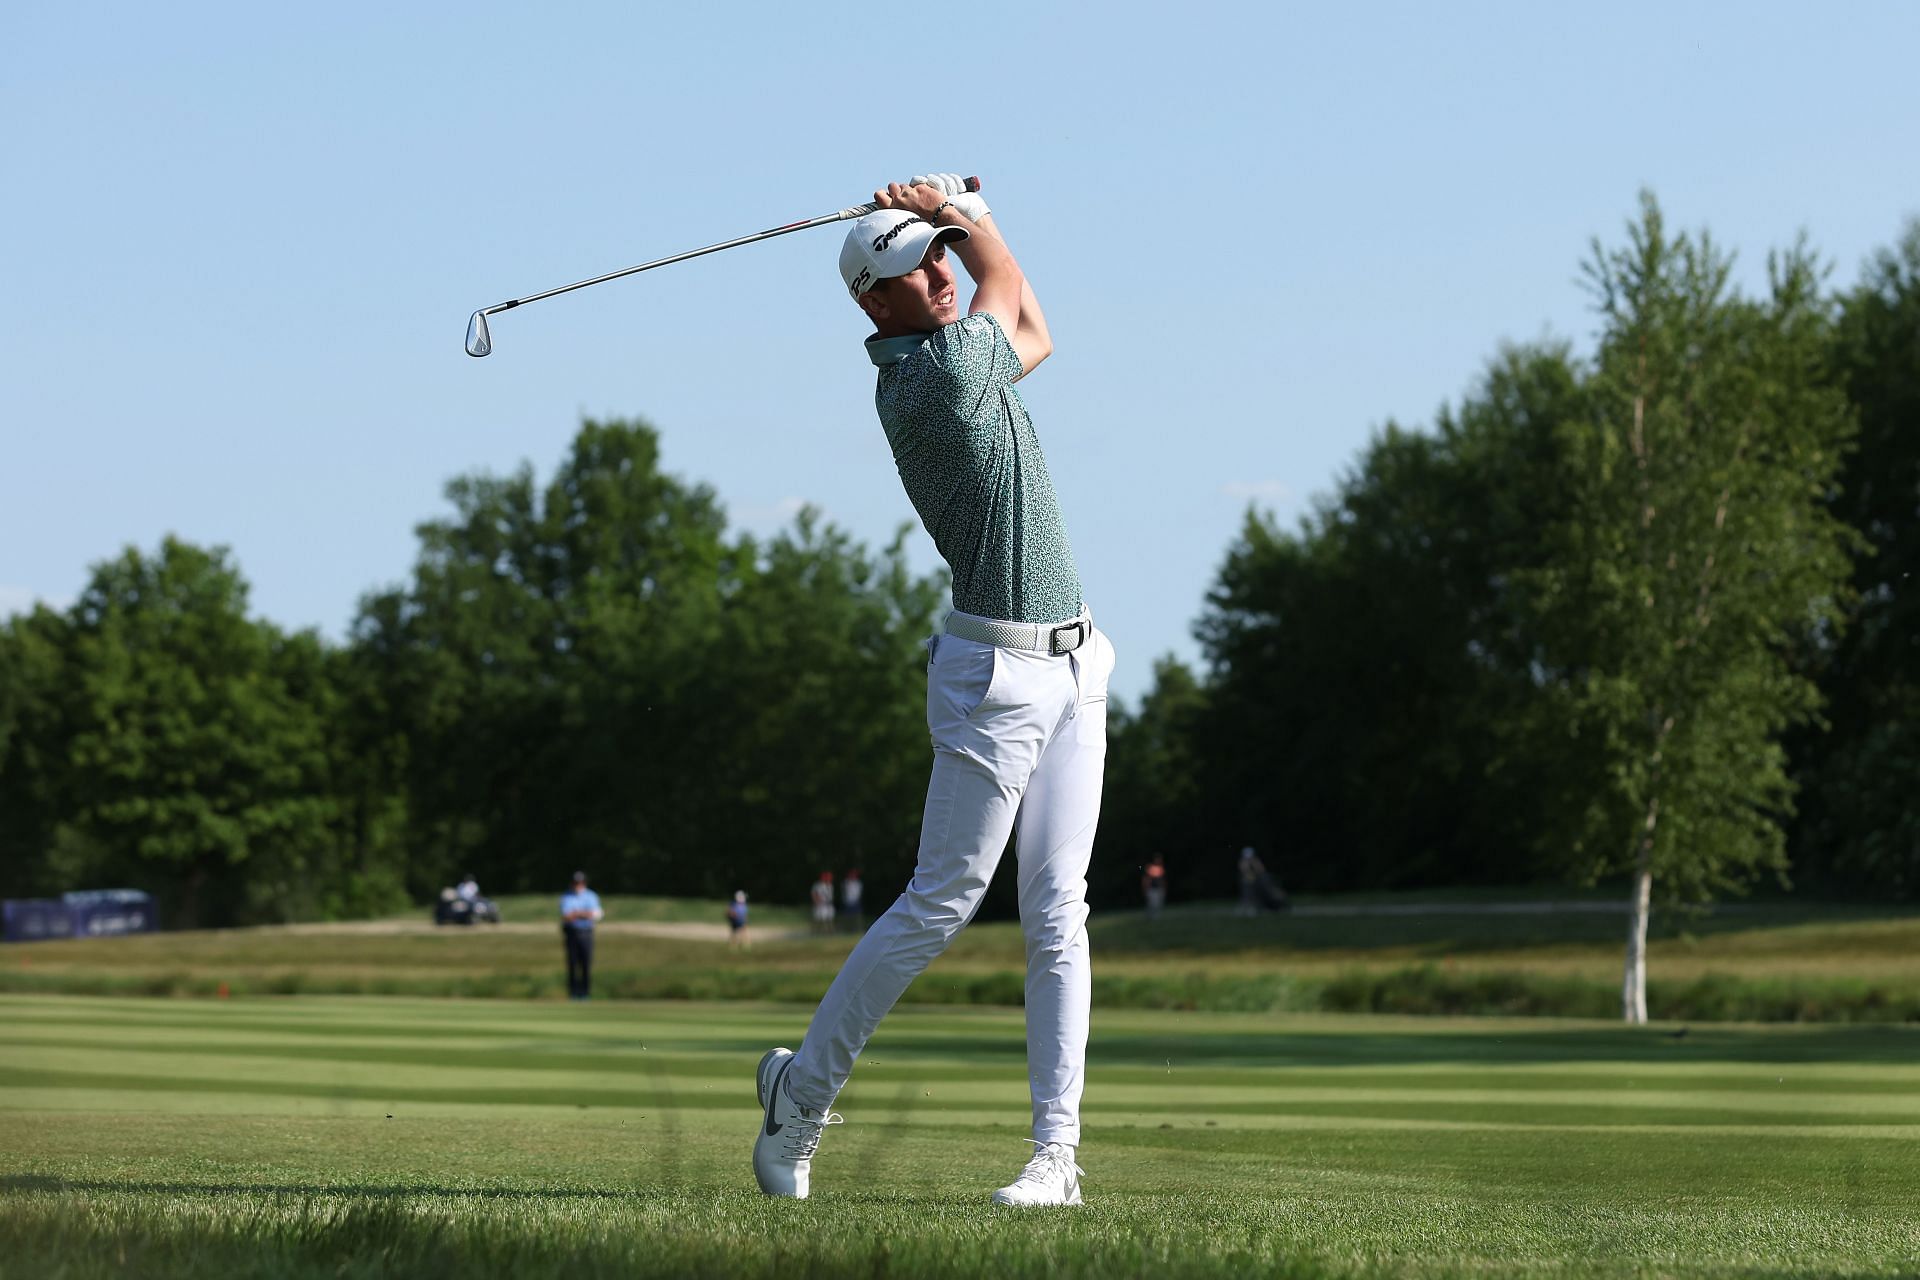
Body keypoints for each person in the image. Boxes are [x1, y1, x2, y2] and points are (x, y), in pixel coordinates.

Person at [754, 172, 1114, 1208]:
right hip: (995, 674)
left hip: (1076, 665)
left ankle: (1057, 1158)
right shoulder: (937, 378)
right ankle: (801, 1102)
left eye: (940, 255)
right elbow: (1005, 283)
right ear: (877, 300)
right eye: (920, 264)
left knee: (1059, 912)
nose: (943, 271)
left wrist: (953, 214)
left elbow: (1036, 322)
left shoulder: (969, 356)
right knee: (942, 899)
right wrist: (964, 207)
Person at [559, 870, 603, 999]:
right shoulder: (566, 896)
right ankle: (573, 993)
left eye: (580, 882)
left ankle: (585, 993)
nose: (577, 885)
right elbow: (567, 916)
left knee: (586, 964)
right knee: (572, 964)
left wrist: (577, 913)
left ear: (584, 883)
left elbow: (595, 914)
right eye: (575, 883)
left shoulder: (591, 896)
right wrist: (585, 914)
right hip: (571, 933)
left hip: (586, 933)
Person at [1142, 855, 1167, 922]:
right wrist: (1145, 889)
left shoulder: (1160, 868)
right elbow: (1146, 879)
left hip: (1159, 888)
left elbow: (1162, 879)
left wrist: (1164, 887)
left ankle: (1156, 917)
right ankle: (1150, 917)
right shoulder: (1150, 868)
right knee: (1152, 903)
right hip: (1152, 889)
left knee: (1158, 903)